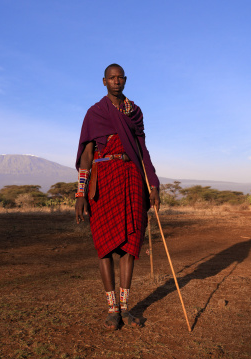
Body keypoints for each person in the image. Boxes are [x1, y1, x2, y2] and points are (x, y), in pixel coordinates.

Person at [75, 63, 160, 330]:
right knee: (104, 246)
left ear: (125, 80)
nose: (116, 81)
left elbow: (142, 150)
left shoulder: (134, 112)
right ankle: (112, 309)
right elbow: (87, 155)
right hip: (104, 181)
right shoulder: (95, 113)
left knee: (130, 245)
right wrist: (80, 194)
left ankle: (125, 307)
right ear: (104, 81)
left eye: (120, 77)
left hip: (132, 179)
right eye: (111, 78)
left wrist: (153, 184)